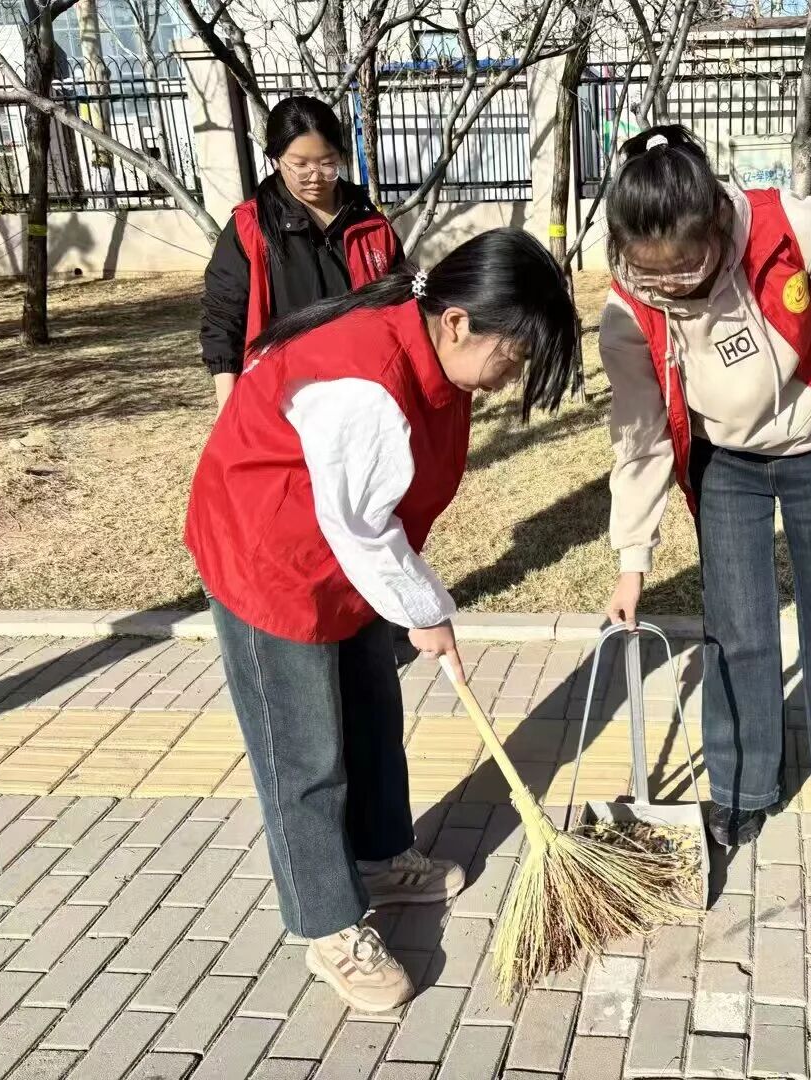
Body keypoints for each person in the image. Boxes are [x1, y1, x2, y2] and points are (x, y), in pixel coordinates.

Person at [185, 229, 578, 1012]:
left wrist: (414, 602)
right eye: (514, 355)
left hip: (339, 555)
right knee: (303, 753)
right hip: (269, 556)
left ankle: (379, 857)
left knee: (371, 710)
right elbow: (360, 526)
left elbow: (371, 521)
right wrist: (426, 611)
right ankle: (328, 924)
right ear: (458, 323)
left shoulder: (426, 347)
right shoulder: (366, 385)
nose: (512, 375)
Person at [599, 125, 811, 847]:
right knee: (737, 626)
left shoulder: (789, 226)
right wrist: (632, 559)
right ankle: (742, 784)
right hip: (725, 464)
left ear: (715, 219)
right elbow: (641, 436)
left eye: (687, 263)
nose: (674, 283)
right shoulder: (628, 312)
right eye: (652, 270)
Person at [199, 95, 399, 411]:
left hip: (362, 396)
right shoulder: (250, 227)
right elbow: (224, 320)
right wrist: (229, 409)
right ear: (276, 160)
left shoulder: (371, 226)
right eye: (300, 165)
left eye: (327, 163)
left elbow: (399, 312)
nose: (315, 176)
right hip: (279, 400)